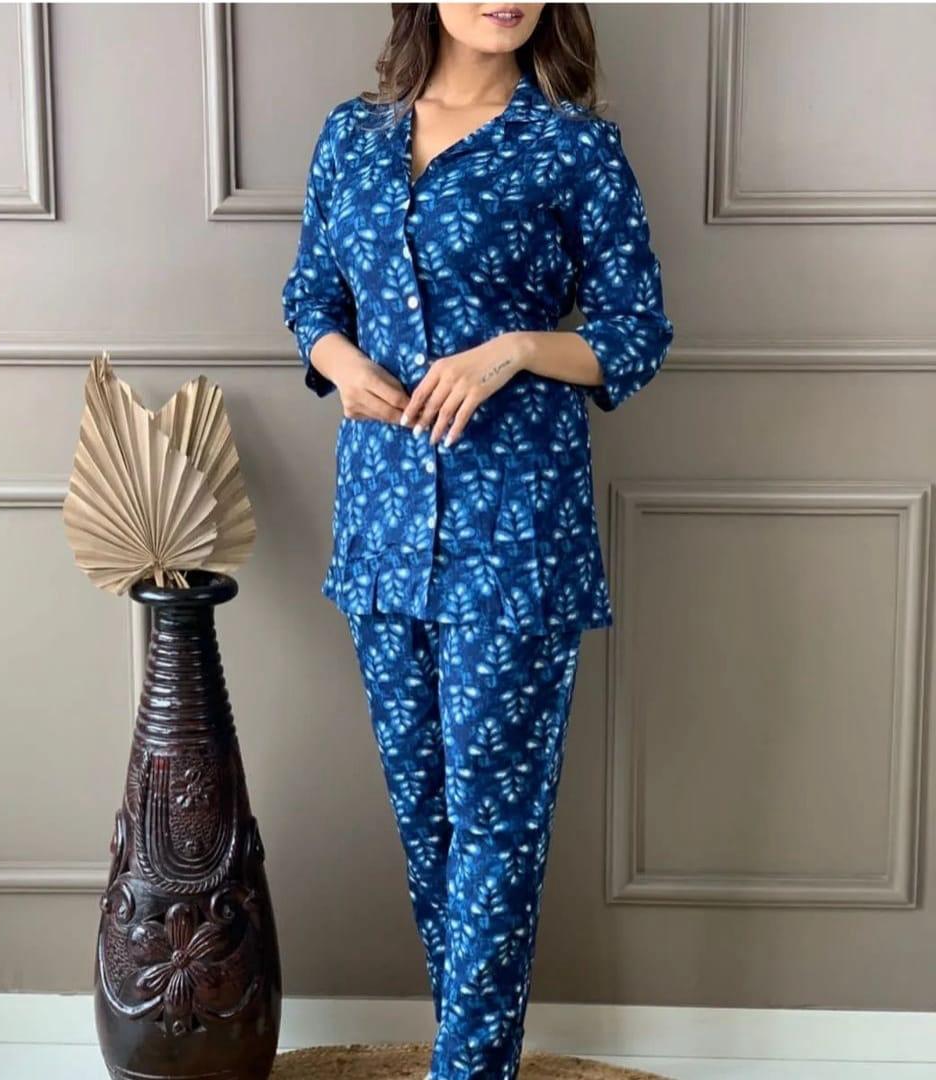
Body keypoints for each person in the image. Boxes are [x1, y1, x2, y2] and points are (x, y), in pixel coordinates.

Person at [281, 4, 674, 1077]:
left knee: (496, 831)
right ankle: (474, 1057)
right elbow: (310, 293)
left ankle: (466, 1070)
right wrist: (339, 363)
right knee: (429, 826)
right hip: (382, 529)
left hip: (517, 536)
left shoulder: (573, 147)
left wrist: (517, 350)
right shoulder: (352, 137)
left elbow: (637, 330)